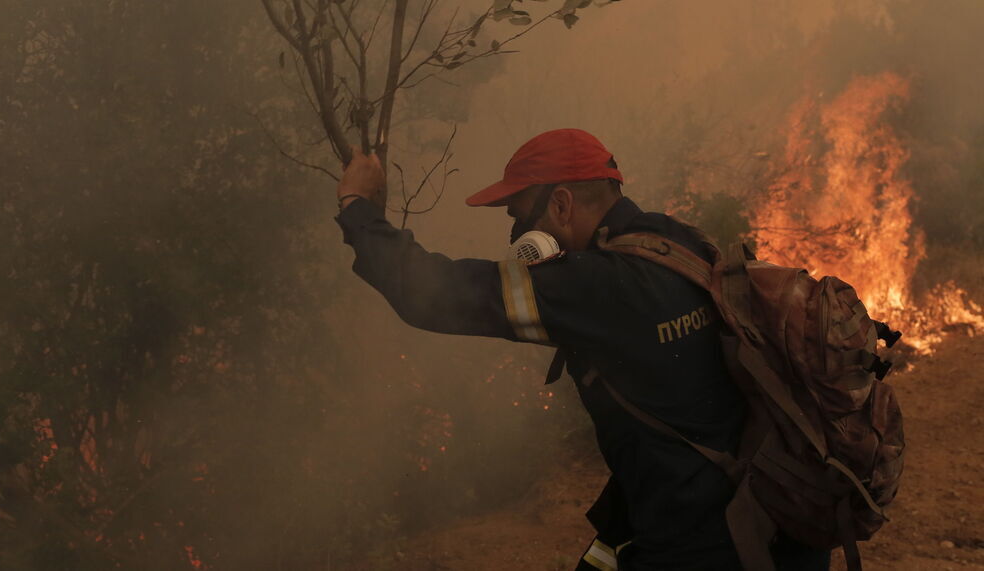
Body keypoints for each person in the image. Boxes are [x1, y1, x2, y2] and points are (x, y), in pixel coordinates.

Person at [335, 129, 829, 571]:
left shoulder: (596, 287)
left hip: (704, 545)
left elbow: (433, 295)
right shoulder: (677, 241)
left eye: (519, 218)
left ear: (563, 204)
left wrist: (358, 209)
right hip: (774, 522)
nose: (515, 237)